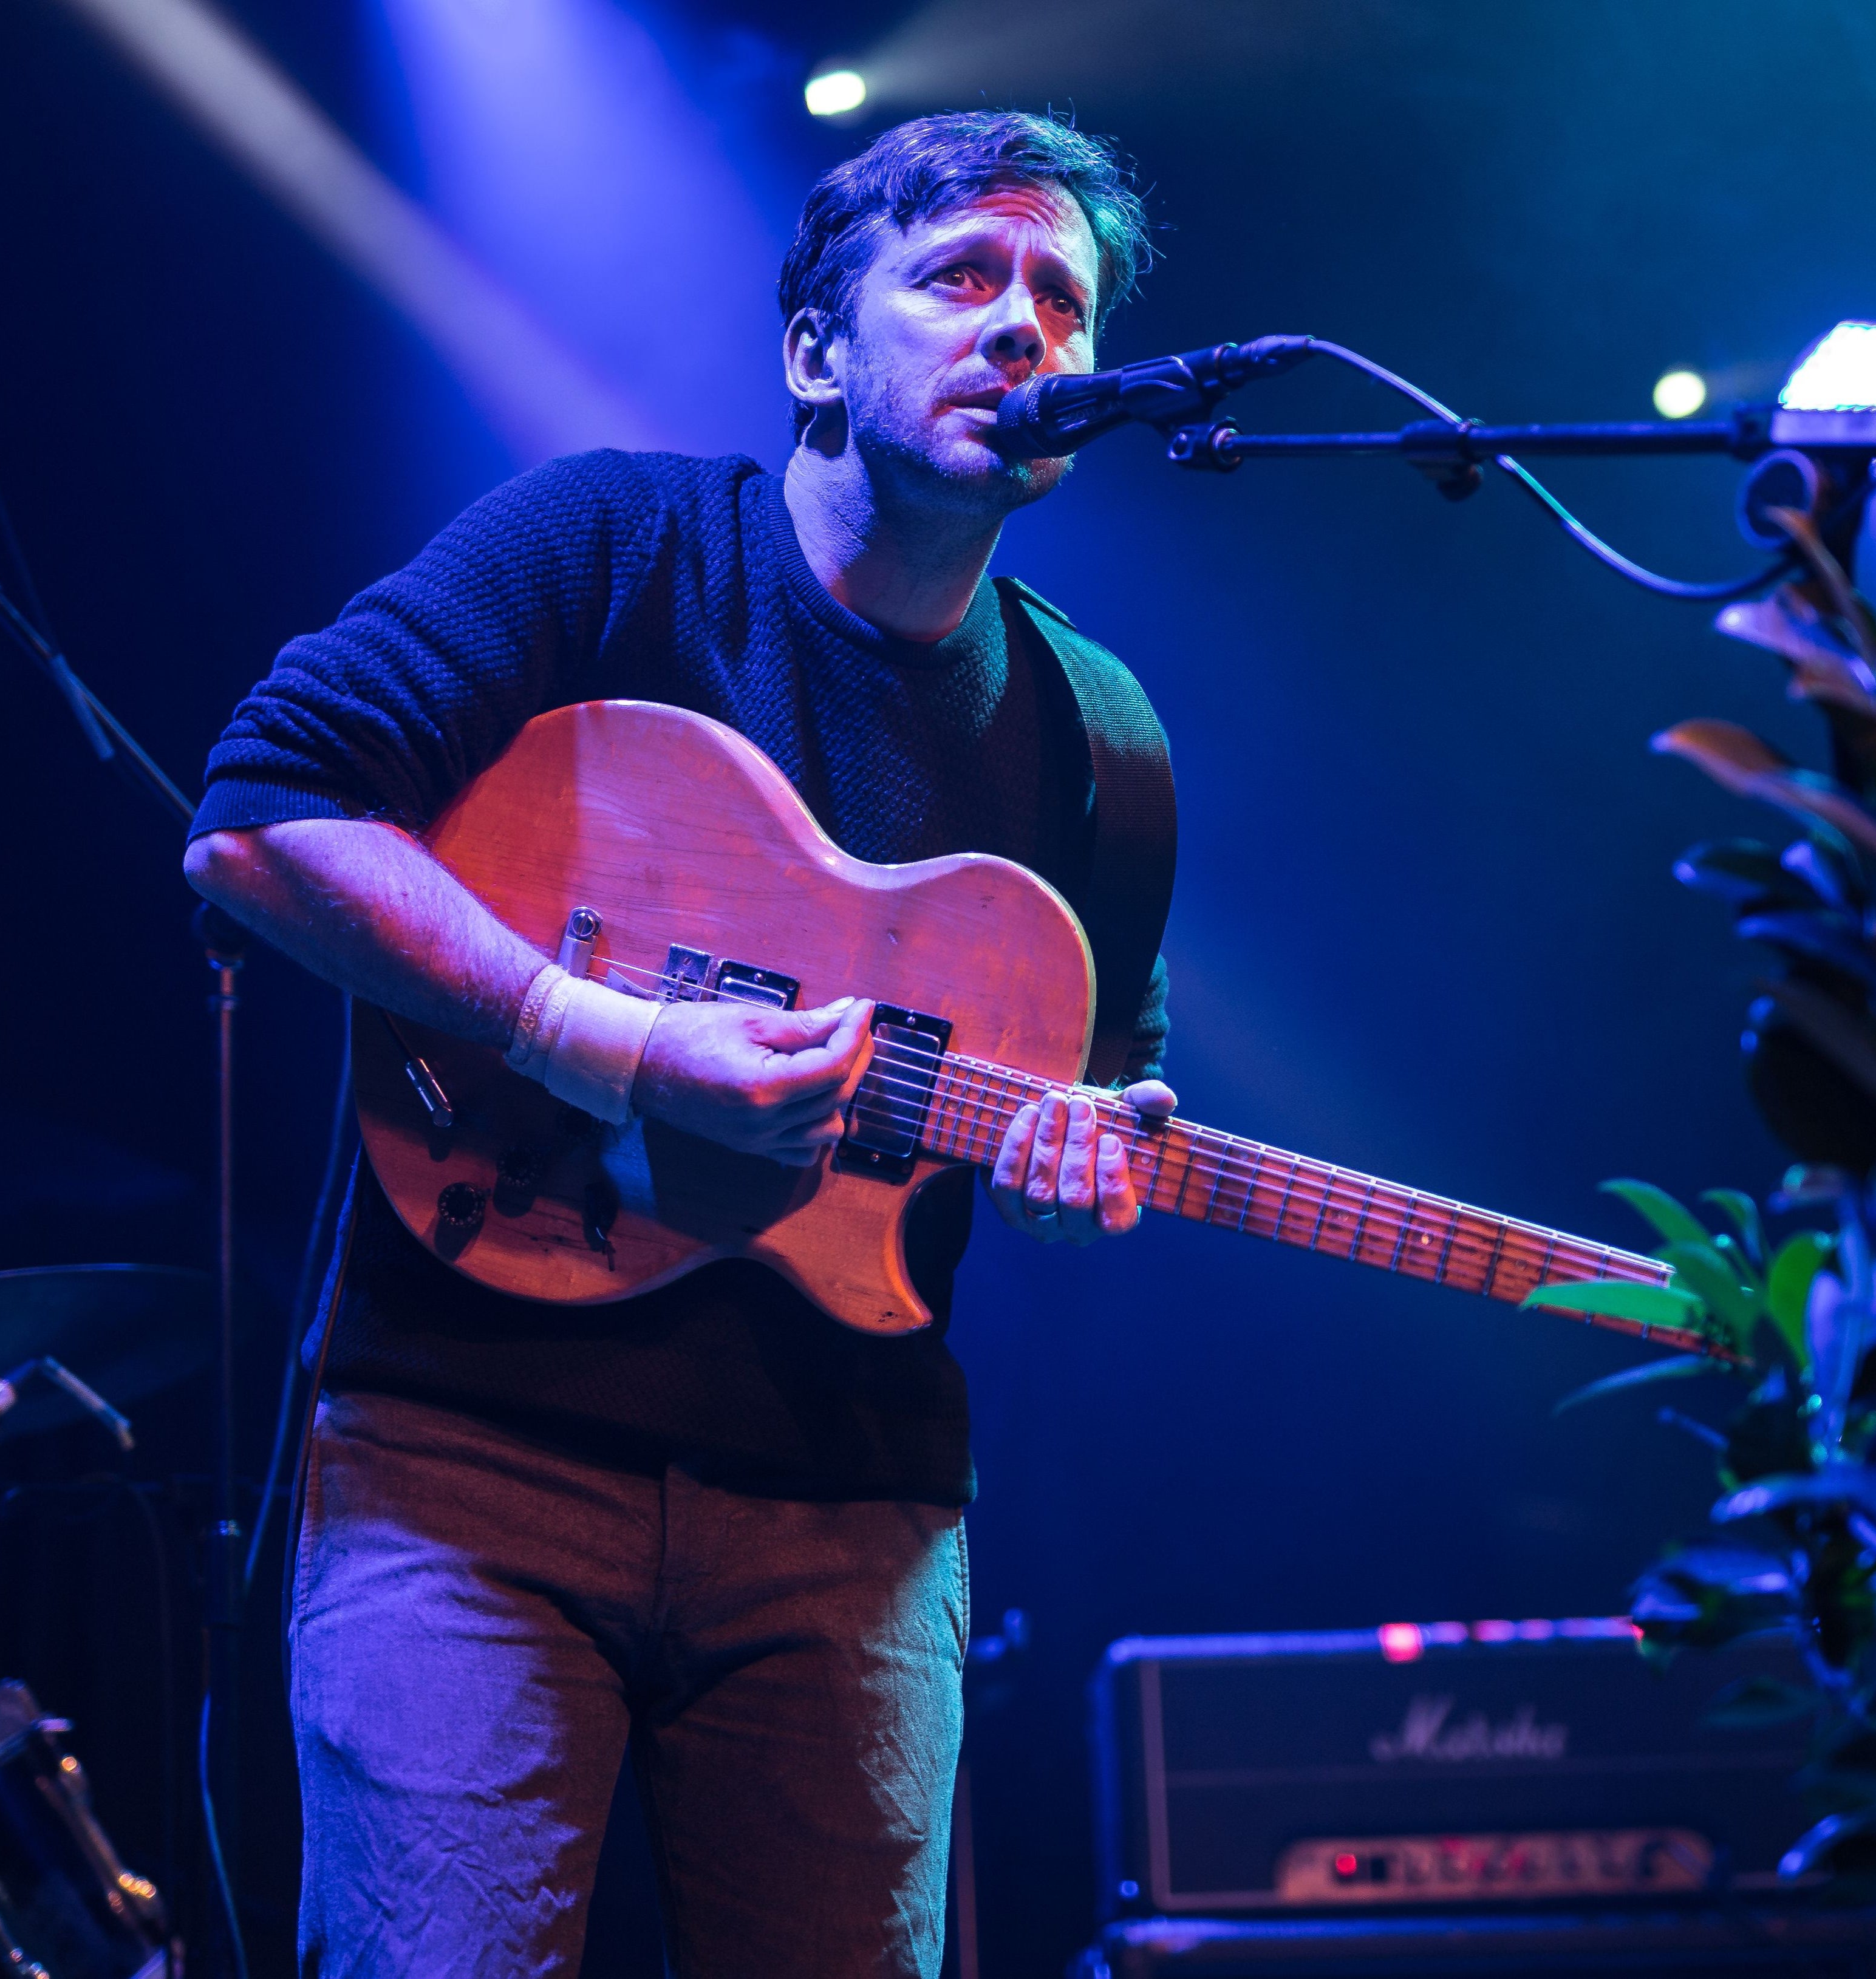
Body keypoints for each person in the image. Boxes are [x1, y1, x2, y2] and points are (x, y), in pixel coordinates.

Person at [183, 110, 1174, 1978]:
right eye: (962, 276)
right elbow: (258, 819)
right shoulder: (611, 543)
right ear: (815, 352)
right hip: (470, 1460)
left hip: (854, 1510)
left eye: (1066, 299)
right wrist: (600, 1037)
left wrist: (1077, 1164)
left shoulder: (1104, 738)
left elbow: (1084, 1088)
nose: (1026, 329)